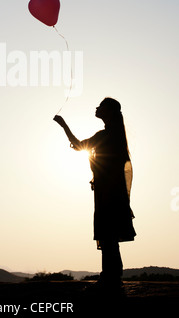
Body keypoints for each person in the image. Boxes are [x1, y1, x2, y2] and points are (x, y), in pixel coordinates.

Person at [54, 97, 136, 294]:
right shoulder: (114, 134)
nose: (97, 108)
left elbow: (78, 144)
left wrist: (63, 124)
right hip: (110, 190)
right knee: (110, 234)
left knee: (107, 233)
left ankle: (110, 277)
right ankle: (112, 275)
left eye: (101, 106)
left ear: (109, 112)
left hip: (107, 192)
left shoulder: (106, 135)